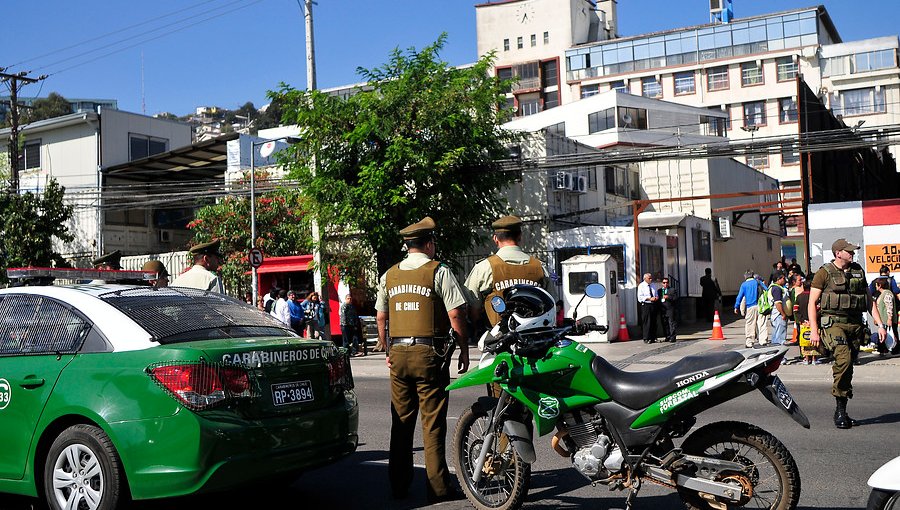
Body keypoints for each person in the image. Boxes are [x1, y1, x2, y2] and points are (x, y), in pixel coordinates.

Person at [375, 216, 469, 504]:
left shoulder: (389, 275)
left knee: (401, 422)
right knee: (432, 423)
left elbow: (381, 315)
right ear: (428, 244)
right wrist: (464, 348)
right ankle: (438, 487)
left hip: (399, 355)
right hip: (429, 355)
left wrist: (386, 347)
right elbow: (455, 313)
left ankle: (399, 485)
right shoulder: (438, 271)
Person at [808, 238, 886, 429]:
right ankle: (840, 410)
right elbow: (812, 303)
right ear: (838, 253)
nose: (852, 254)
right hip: (833, 323)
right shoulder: (824, 273)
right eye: (848, 251)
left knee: (849, 366)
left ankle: (841, 407)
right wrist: (814, 330)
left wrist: (880, 324)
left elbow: (869, 301)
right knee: (843, 359)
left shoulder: (858, 271)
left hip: (855, 326)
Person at [463, 215, 556, 332]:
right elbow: (552, 302)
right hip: (534, 338)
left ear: (495, 239)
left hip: (498, 340)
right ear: (520, 236)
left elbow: (473, 307)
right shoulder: (540, 267)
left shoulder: (485, 267)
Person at [735, 269, 769, 348]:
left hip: (750, 307)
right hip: (760, 306)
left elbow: (739, 297)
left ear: (745, 276)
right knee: (762, 323)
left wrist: (736, 306)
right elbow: (766, 290)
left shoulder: (744, 285)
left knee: (750, 324)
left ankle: (749, 342)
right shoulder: (758, 282)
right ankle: (763, 341)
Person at [794, 281, 824, 364]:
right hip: (814, 322)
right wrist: (813, 320)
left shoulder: (799, 297)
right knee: (814, 341)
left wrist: (801, 320)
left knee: (805, 340)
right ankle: (814, 359)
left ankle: (806, 359)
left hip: (803, 323)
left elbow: (795, 310)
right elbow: (819, 309)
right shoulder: (815, 297)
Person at [874, 278, 897, 356]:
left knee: (890, 334)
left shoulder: (887, 294)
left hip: (886, 319)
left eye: (876, 285)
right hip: (883, 320)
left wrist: (890, 318)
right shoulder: (882, 294)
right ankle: (883, 350)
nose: (875, 287)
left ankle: (893, 350)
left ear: (880, 285)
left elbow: (889, 306)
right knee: (884, 335)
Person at [637, 272, 659, 343]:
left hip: (653, 304)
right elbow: (640, 297)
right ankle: (646, 337)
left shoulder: (653, 285)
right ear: (645, 279)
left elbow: (656, 294)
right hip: (646, 305)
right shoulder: (641, 286)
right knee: (647, 321)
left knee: (654, 321)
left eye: (651, 278)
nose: (651, 279)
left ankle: (654, 337)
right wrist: (649, 299)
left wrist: (656, 298)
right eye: (649, 278)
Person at [768, 271, 789, 345]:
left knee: (776, 335)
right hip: (778, 315)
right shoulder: (777, 289)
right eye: (783, 278)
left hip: (775, 315)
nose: (785, 280)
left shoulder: (772, 287)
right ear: (778, 279)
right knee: (780, 337)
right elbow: (778, 303)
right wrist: (783, 314)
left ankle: (775, 353)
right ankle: (780, 354)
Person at [658, 276, 677, 343]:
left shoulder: (672, 290)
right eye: (664, 283)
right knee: (664, 323)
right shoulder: (659, 291)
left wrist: (668, 297)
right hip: (663, 309)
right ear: (662, 283)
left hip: (670, 309)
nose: (665, 284)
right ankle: (667, 336)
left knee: (671, 323)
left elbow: (675, 298)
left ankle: (673, 337)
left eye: (667, 282)